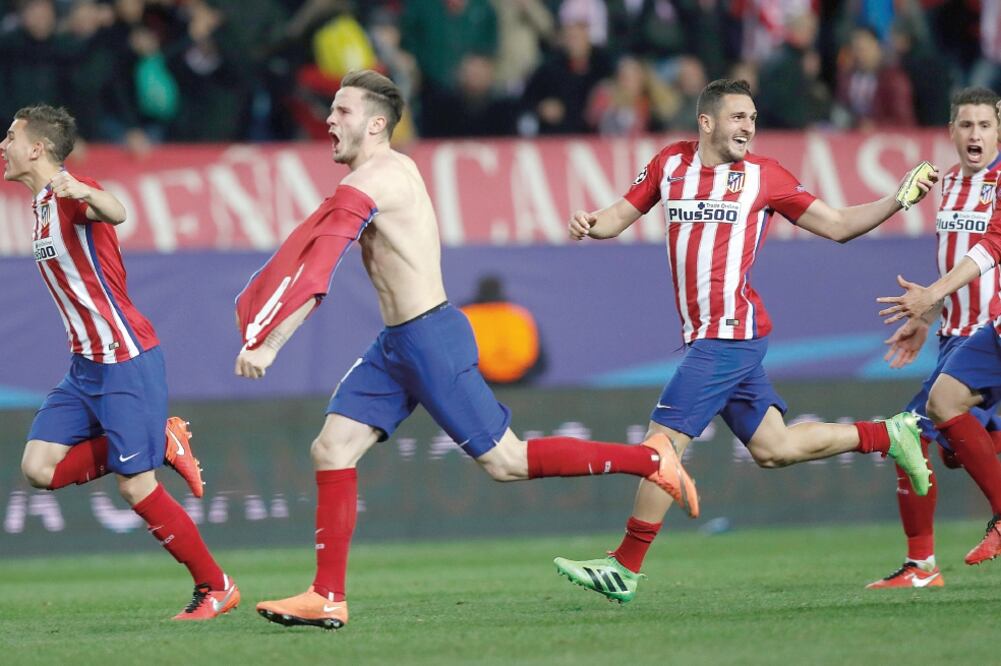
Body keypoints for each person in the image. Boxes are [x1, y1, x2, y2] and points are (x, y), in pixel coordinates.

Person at [233, 70, 694, 631]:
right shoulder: (379, 175)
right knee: (331, 449)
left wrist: (271, 341)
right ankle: (327, 595)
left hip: (429, 340)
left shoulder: (378, 180)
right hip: (397, 344)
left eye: (343, 111)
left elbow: (320, 265)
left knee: (507, 462)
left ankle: (652, 459)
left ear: (376, 124)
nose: (330, 120)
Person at [553, 77, 937, 604]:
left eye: (752, 119)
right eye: (738, 117)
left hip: (728, 336)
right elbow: (616, 217)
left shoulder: (765, 177)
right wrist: (588, 222)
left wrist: (898, 199)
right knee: (774, 449)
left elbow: (840, 225)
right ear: (706, 121)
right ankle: (888, 436)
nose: (748, 127)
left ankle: (625, 565)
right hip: (712, 337)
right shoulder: (670, 164)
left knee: (661, 445)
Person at [2, 105, 239, 621]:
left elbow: (116, 210)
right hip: (85, 366)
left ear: (37, 148)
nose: (4, 144)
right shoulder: (41, 203)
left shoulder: (70, 191)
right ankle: (160, 437)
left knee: (136, 485)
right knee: (38, 468)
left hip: (124, 357)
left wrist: (87, 193)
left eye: (12, 136)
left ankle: (215, 586)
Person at [868, 87, 1001, 590]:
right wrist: (928, 316)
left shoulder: (1000, 182)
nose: (974, 134)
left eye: (984, 126)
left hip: (985, 336)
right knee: (954, 446)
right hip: (954, 335)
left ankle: (921, 565)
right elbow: (955, 259)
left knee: (910, 435)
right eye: (965, 125)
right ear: (950, 132)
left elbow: (990, 252)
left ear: (998, 131)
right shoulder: (947, 184)